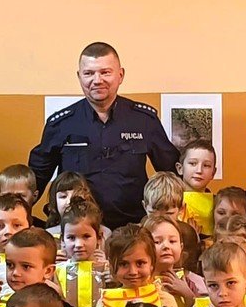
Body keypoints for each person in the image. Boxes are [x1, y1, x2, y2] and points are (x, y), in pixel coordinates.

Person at [29, 42, 179, 228]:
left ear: (120, 75)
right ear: (79, 76)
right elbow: (35, 180)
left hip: (131, 230)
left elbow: (174, 173)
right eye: (89, 73)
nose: (97, 80)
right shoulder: (61, 124)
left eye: (105, 72)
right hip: (77, 231)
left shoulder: (144, 120)